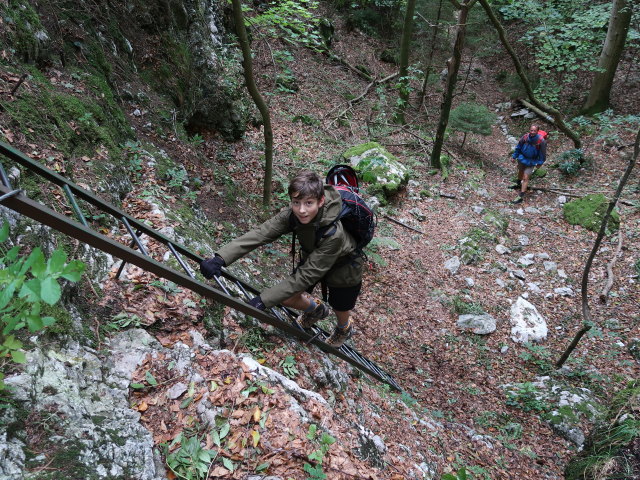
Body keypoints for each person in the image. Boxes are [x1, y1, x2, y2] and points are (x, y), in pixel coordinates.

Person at [199, 170, 363, 347]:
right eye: (296, 202)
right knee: (286, 297)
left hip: (344, 267)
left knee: (340, 305)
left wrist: (264, 300)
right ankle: (316, 310)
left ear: (321, 201)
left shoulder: (334, 234)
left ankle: (344, 328)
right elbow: (263, 232)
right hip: (313, 257)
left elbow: (306, 276)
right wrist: (220, 258)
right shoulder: (294, 215)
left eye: (309, 203)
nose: (302, 210)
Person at [510, 124, 547, 204]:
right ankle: (518, 183)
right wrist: (514, 156)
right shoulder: (525, 137)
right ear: (529, 130)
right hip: (522, 158)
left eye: (534, 131)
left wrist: (540, 163)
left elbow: (543, 153)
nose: (532, 132)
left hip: (532, 161)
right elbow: (519, 147)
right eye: (531, 130)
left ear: (537, 131)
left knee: (526, 177)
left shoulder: (541, 141)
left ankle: (521, 195)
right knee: (520, 171)